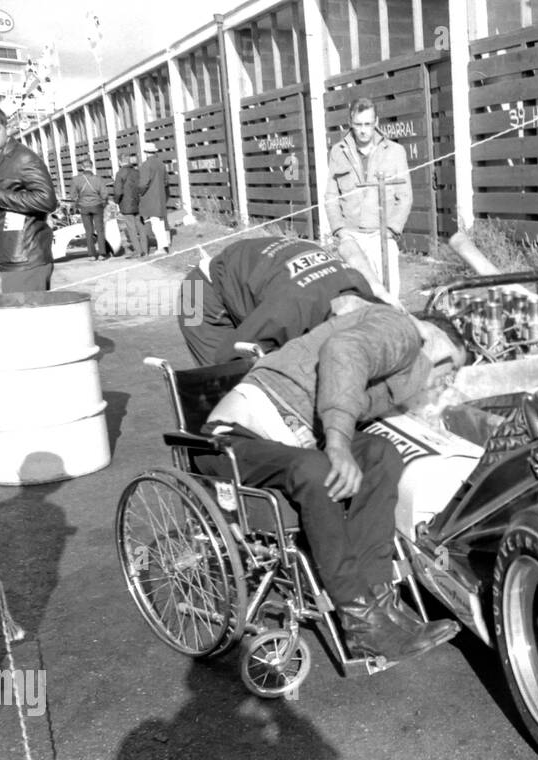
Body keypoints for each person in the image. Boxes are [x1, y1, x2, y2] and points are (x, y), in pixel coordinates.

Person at [202, 305, 466, 662]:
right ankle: (358, 621)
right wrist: (339, 445)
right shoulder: (405, 331)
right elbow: (342, 352)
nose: (445, 381)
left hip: (292, 438)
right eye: (451, 369)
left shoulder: (404, 362)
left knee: (381, 453)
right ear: (442, 344)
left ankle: (379, 604)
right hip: (236, 438)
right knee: (318, 469)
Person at [180, 235, 394, 366]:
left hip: (247, 279)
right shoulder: (289, 311)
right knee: (223, 383)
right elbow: (231, 355)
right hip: (196, 293)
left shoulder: (359, 285)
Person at [0, 102, 58, 292]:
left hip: (26, 256)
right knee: (21, 316)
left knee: (23, 317)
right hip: (13, 253)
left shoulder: (23, 158)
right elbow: (3, 196)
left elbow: (47, 200)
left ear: (6, 127)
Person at [324, 97, 412, 297]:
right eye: (358, 124)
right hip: (351, 235)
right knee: (356, 295)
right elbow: (331, 196)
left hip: (381, 235)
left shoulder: (395, 152)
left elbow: (405, 197)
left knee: (388, 295)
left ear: (377, 122)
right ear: (350, 123)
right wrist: (340, 231)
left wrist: (391, 230)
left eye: (367, 124)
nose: (363, 130)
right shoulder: (338, 152)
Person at [68, 166, 109, 261]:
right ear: (92, 166)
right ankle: (102, 253)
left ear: (82, 167)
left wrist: (78, 202)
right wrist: (103, 202)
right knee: (100, 230)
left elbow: (72, 195)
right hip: (97, 205)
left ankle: (91, 254)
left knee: (88, 231)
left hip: (84, 207)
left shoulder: (76, 179)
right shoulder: (98, 179)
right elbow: (104, 194)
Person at [137, 141, 169, 255]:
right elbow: (166, 181)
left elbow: (143, 184)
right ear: (155, 152)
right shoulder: (161, 164)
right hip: (160, 196)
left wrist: (139, 193)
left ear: (145, 152)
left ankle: (162, 247)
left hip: (150, 198)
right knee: (160, 222)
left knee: (156, 224)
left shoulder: (146, 165)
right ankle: (164, 245)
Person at [112, 154, 146, 258]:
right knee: (141, 226)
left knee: (131, 228)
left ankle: (138, 250)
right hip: (138, 202)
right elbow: (142, 186)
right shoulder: (137, 172)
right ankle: (145, 249)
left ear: (120, 162)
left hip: (126, 203)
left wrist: (116, 201)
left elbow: (118, 191)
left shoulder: (120, 174)